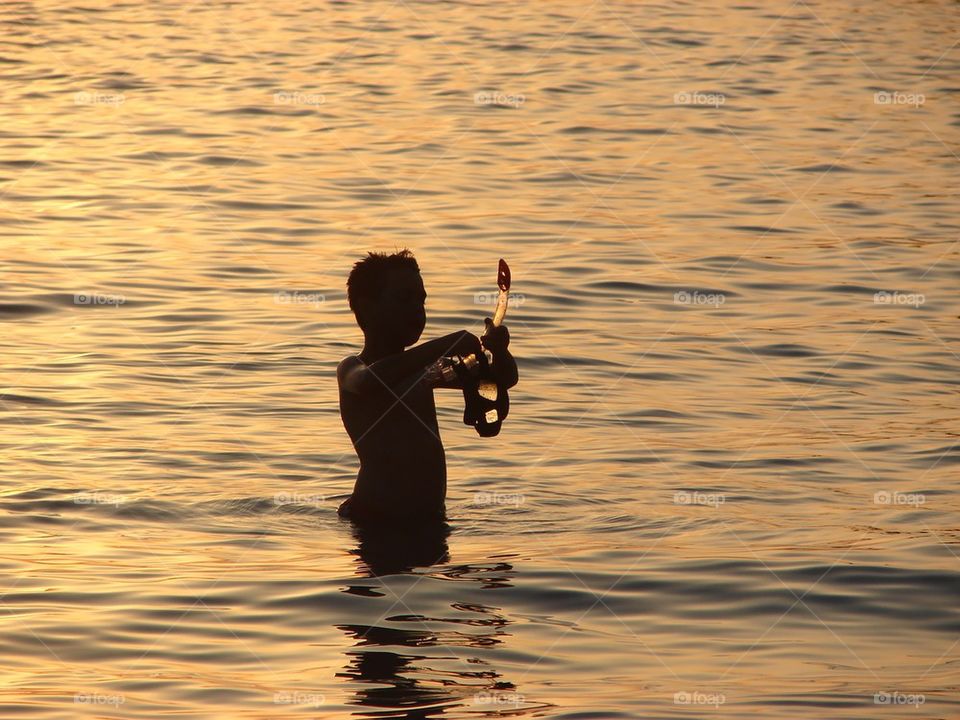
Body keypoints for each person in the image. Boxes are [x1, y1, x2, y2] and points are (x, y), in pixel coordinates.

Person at [336, 249, 518, 524]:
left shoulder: (424, 371)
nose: (416, 310)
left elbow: (503, 379)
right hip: (374, 521)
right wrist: (445, 345)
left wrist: (500, 350)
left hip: (428, 519)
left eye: (421, 300)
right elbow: (372, 380)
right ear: (367, 308)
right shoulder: (352, 369)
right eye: (403, 299)